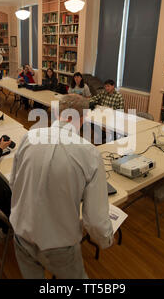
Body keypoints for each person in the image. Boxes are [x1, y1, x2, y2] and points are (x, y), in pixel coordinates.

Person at [9, 94, 114, 279]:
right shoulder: (89, 153)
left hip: (21, 233)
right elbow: (96, 219)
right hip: (59, 243)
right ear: (83, 118)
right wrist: (105, 239)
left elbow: (14, 182)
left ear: (57, 114)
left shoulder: (29, 137)